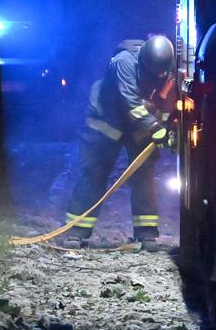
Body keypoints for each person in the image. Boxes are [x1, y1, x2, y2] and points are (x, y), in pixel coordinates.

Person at [61, 34, 178, 251]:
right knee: (94, 175)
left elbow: (168, 100)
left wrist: (167, 128)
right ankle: (75, 232)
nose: (159, 75)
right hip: (107, 121)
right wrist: (155, 129)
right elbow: (130, 101)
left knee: (144, 178)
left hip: (140, 125)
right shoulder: (124, 62)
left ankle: (146, 236)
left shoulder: (166, 67)